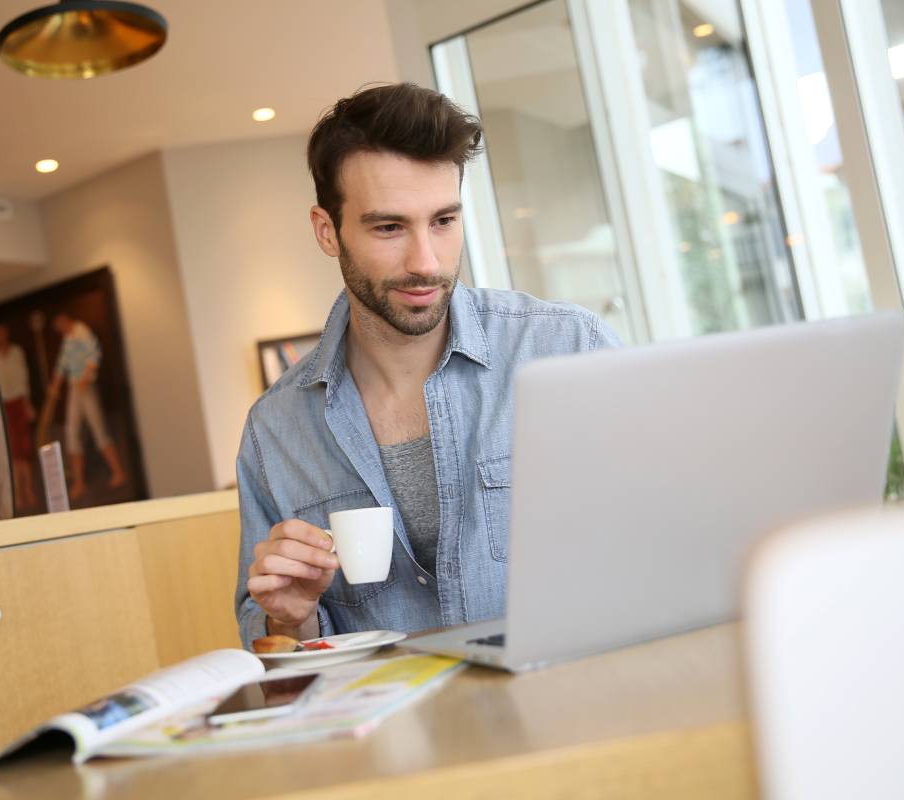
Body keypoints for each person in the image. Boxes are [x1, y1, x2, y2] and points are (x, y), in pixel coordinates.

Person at [234, 83, 621, 649]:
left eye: (443, 220)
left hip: (568, 711)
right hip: (391, 734)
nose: (426, 262)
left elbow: (671, 544)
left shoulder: (568, 349)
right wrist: (290, 620)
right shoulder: (275, 431)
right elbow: (277, 657)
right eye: (389, 227)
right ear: (327, 231)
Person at [45, 312, 127, 500]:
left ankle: (118, 471)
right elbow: (62, 364)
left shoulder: (82, 332)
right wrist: (56, 385)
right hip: (75, 387)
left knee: (98, 430)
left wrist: (86, 376)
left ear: (65, 321)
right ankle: (79, 482)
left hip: (85, 386)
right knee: (71, 432)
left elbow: (94, 353)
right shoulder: (68, 339)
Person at [0, 322, 39, 510]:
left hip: (19, 400)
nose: (1, 336)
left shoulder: (16, 352)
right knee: (14, 450)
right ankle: (18, 493)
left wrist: (27, 402)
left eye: (3, 332)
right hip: (6, 404)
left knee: (25, 448)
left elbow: (22, 376)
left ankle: (30, 490)